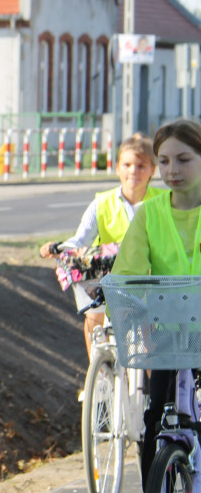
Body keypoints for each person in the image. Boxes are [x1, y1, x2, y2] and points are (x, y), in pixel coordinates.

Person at [112, 119, 201, 493]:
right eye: (164, 160)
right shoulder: (151, 212)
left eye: (184, 159)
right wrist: (132, 305)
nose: (172, 169)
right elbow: (128, 270)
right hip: (168, 337)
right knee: (154, 427)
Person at [38, 133, 161, 355]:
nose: (133, 171)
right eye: (127, 164)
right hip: (110, 276)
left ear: (152, 170)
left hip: (148, 279)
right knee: (93, 315)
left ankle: (151, 386)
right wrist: (56, 248)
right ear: (117, 169)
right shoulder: (102, 203)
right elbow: (81, 239)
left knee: (148, 334)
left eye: (141, 165)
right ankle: (98, 371)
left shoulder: (162, 201)